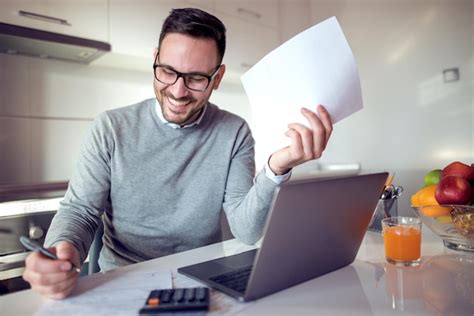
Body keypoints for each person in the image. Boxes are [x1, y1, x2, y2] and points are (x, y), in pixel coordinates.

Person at [23, 7, 333, 299]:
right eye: (168, 71)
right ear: (155, 58)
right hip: (124, 283)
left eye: (196, 78)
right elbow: (80, 211)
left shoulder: (234, 132)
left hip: (201, 281)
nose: (178, 91)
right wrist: (62, 251)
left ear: (218, 77)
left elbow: (247, 230)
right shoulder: (111, 128)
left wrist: (277, 168)